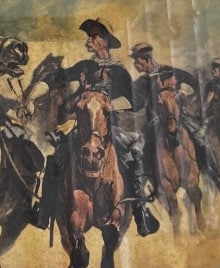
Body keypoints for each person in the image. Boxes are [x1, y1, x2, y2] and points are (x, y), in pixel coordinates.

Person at [36, 19, 159, 237]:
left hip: (110, 129)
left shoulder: (120, 72)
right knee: (56, 158)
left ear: (105, 41)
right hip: (82, 130)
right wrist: (33, 95)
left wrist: (111, 105)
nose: (89, 40)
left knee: (132, 157)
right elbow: (57, 78)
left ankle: (141, 213)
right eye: (89, 36)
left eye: (94, 36)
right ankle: (43, 213)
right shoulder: (85, 66)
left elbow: (137, 101)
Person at [129, 41, 220, 198]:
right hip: (156, 121)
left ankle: (217, 178)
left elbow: (192, 82)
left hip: (178, 117)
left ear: (147, 59)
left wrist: (183, 91)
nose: (136, 65)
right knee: (144, 147)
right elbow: (137, 104)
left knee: (200, 139)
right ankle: (149, 183)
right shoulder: (141, 82)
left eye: (138, 61)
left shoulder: (169, 71)